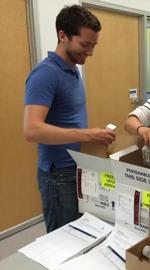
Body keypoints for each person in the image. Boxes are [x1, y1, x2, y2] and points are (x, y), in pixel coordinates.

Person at [23, 5, 116, 232]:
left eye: (93, 45)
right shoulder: (45, 74)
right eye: (85, 45)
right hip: (58, 176)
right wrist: (87, 134)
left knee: (79, 234)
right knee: (62, 239)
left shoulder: (73, 69)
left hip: (78, 168)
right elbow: (32, 130)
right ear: (62, 36)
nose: (90, 52)